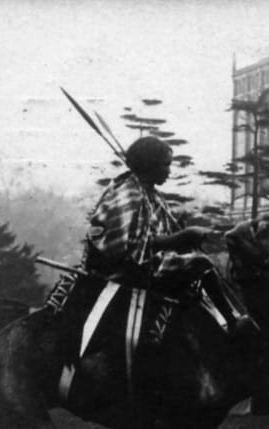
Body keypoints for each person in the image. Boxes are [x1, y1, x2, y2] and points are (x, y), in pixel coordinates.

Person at [83, 135, 254, 340]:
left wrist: (178, 233)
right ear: (150, 165)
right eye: (165, 165)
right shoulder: (130, 195)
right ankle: (232, 319)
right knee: (202, 263)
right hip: (124, 270)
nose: (169, 171)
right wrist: (181, 237)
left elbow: (152, 233)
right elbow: (130, 247)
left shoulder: (148, 193)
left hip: (140, 263)